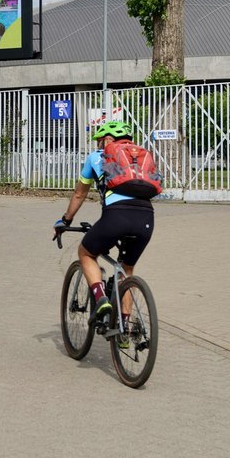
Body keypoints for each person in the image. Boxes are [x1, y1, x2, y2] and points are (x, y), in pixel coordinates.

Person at [53, 121, 156, 326]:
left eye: (100, 141)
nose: (99, 146)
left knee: (86, 253)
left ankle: (101, 300)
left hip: (116, 217)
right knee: (126, 270)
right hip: (146, 218)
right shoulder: (138, 159)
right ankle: (125, 328)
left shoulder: (96, 157)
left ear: (108, 139)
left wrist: (65, 220)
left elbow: (80, 194)